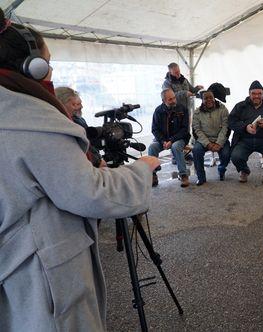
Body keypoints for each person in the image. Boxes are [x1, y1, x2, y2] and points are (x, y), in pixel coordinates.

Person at [0, 11, 160, 332]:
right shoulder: (30, 120)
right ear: (32, 66)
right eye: (47, 61)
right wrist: (141, 170)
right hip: (42, 275)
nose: (51, 70)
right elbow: (89, 192)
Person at [228, 80, 263, 187]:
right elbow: (231, 122)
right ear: (249, 94)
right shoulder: (240, 106)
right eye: (254, 93)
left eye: (259, 94)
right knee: (235, 156)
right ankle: (244, 171)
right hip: (244, 140)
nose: (257, 96)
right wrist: (245, 127)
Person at [148, 88, 191, 187]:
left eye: (174, 98)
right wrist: (163, 141)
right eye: (170, 99)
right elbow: (154, 129)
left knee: (175, 146)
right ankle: (153, 174)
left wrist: (171, 141)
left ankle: (183, 175)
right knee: (152, 147)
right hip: (163, 139)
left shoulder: (183, 109)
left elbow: (185, 129)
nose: (174, 101)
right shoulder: (158, 111)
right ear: (163, 101)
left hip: (180, 138)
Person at [55, 86, 105, 168]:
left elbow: (89, 144)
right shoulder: (60, 125)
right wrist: (97, 162)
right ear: (61, 105)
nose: (81, 107)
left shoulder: (79, 120)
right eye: (75, 104)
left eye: (80, 103)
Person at [192, 89, 231, 185]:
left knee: (226, 154)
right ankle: (201, 177)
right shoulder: (197, 113)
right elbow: (197, 131)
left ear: (214, 98)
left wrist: (218, 143)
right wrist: (208, 144)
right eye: (206, 98)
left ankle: (221, 169)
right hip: (204, 140)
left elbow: (226, 128)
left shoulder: (223, 109)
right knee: (196, 151)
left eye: (211, 97)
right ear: (202, 100)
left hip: (220, 139)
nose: (209, 100)